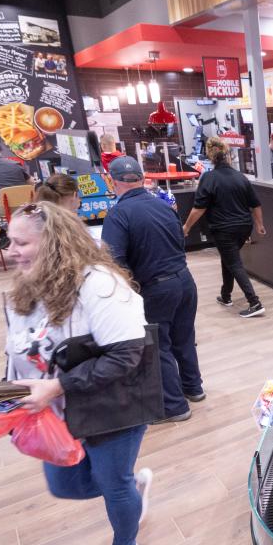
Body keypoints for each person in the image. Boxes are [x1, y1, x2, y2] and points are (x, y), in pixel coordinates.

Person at [4, 201, 159, 545]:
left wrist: (56, 387)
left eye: (21, 242)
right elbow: (21, 347)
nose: (11, 251)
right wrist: (9, 388)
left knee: (112, 483)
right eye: (9, 241)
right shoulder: (25, 287)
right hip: (57, 411)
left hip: (111, 404)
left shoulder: (100, 285)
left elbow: (127, 355)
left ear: (53, 243)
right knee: (66, 485)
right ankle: (128, 486)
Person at [101, 156, 204, 423]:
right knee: (184, 338)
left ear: (112, 181)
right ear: (141, 178)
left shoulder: (118, 215)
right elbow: (179, 240)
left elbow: (113, 262)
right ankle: (194, 388)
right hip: (185, 280)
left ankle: (175, 407)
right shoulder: (164, 206)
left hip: (155, 289)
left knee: (159, 346)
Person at [183, 137, 266, 318]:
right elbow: (255, 204)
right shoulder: (240, 177)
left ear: (211, 157)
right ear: (228, 156)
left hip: (224, 228)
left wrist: (187, 227)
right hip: (244, 227)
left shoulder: (209, 178)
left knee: (234, 262)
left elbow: (199, 208)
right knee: (229, 258)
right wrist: (259, 225)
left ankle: (255, 302)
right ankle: (225, 295)